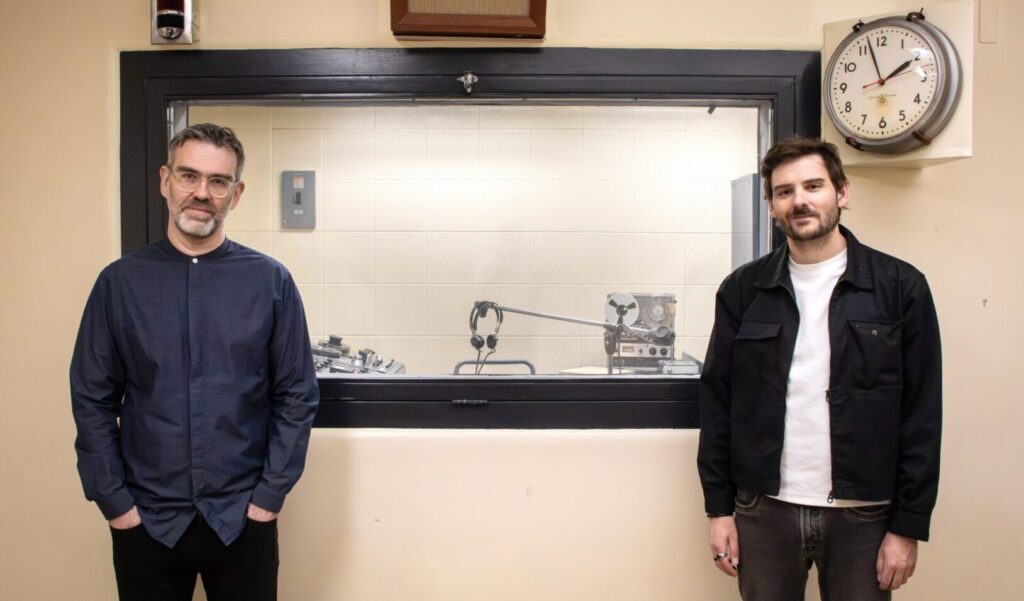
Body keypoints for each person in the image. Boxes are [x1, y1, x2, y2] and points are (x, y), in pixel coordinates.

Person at [70, 123, 319, 601]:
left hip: (242, 519)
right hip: (147, 521)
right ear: (166, 181)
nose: (202, 193)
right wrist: (116, 505)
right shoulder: (119, 284)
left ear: (236, 194)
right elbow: (92, 400)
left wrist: (268, 499)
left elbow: (296, 396)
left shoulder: (270, 283)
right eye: (189, 176)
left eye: (218, 181)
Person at [697, 137, 941, 600]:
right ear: (772, 206)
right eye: (784, 191)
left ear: (841, 192)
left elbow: (922, 414)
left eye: (813, 186)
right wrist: (719, 510)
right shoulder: (743, 290)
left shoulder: (900, 287)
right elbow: (718, 403)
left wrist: (908, 525)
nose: (800, 200)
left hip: (864, 515)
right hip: (764, 509)